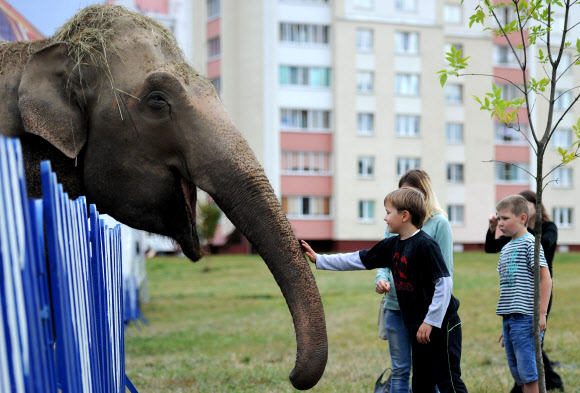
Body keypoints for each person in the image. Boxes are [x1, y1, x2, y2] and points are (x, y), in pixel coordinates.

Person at [301, 187, 468, 393]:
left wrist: (430, 321)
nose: (384, 218)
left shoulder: (426, 245)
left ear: (405, 215)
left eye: (389, 212)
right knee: (422, 384)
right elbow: (359, 258)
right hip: (419, 328)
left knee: (448, 381)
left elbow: (445, 284)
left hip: (442, 325)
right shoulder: (392, 245)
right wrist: (320, 259)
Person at [375, 169, 453, 393]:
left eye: (412, 192)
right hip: (395, 308)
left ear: (425, 193)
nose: (405, 199)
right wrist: (382, 279)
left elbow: (445, 276)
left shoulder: (439, 224)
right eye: (402, 192)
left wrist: (433, 318)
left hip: (425, 315)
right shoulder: (394, 221)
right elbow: (384, 260)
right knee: (399, 370)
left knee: (428, 373)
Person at [485, 190, 564, 392]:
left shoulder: (531, 243)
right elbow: (510, 286)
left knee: (529, 374)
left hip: (527, 318)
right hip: (511, 320)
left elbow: (545, 277)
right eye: (498, 217)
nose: (500, 223)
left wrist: (541, 314)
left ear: (522, 218)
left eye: (505, 218)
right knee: (519, 373)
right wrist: (508, 324)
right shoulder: (507, 247)